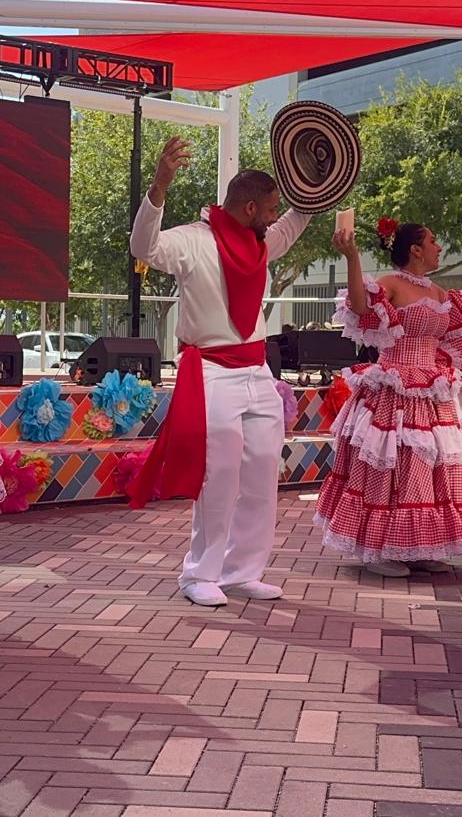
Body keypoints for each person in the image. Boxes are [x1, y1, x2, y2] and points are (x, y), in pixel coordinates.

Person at [125, 138, 311, 607]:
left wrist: (316, 187)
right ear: (250, 208)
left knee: (262, 472)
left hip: (257, 371)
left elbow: (292, 225)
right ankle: (200, 574)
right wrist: (160, 185)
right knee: (220, 474)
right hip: (211, 371)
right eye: (270, 209)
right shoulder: (193, 239)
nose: (275, 217)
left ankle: (242, 572)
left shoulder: (260, 243)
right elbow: (143, 246)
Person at [315, 221, 462, 575]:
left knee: (426, 466)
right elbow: (361, 307)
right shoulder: (392, 283)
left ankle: (416, 545)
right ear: (416, 250)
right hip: (395, 385)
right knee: (390, 463)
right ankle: (378, 549)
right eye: (433, 241)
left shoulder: (437, 291)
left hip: (430, 389)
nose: (439, 247)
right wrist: (352, 256)